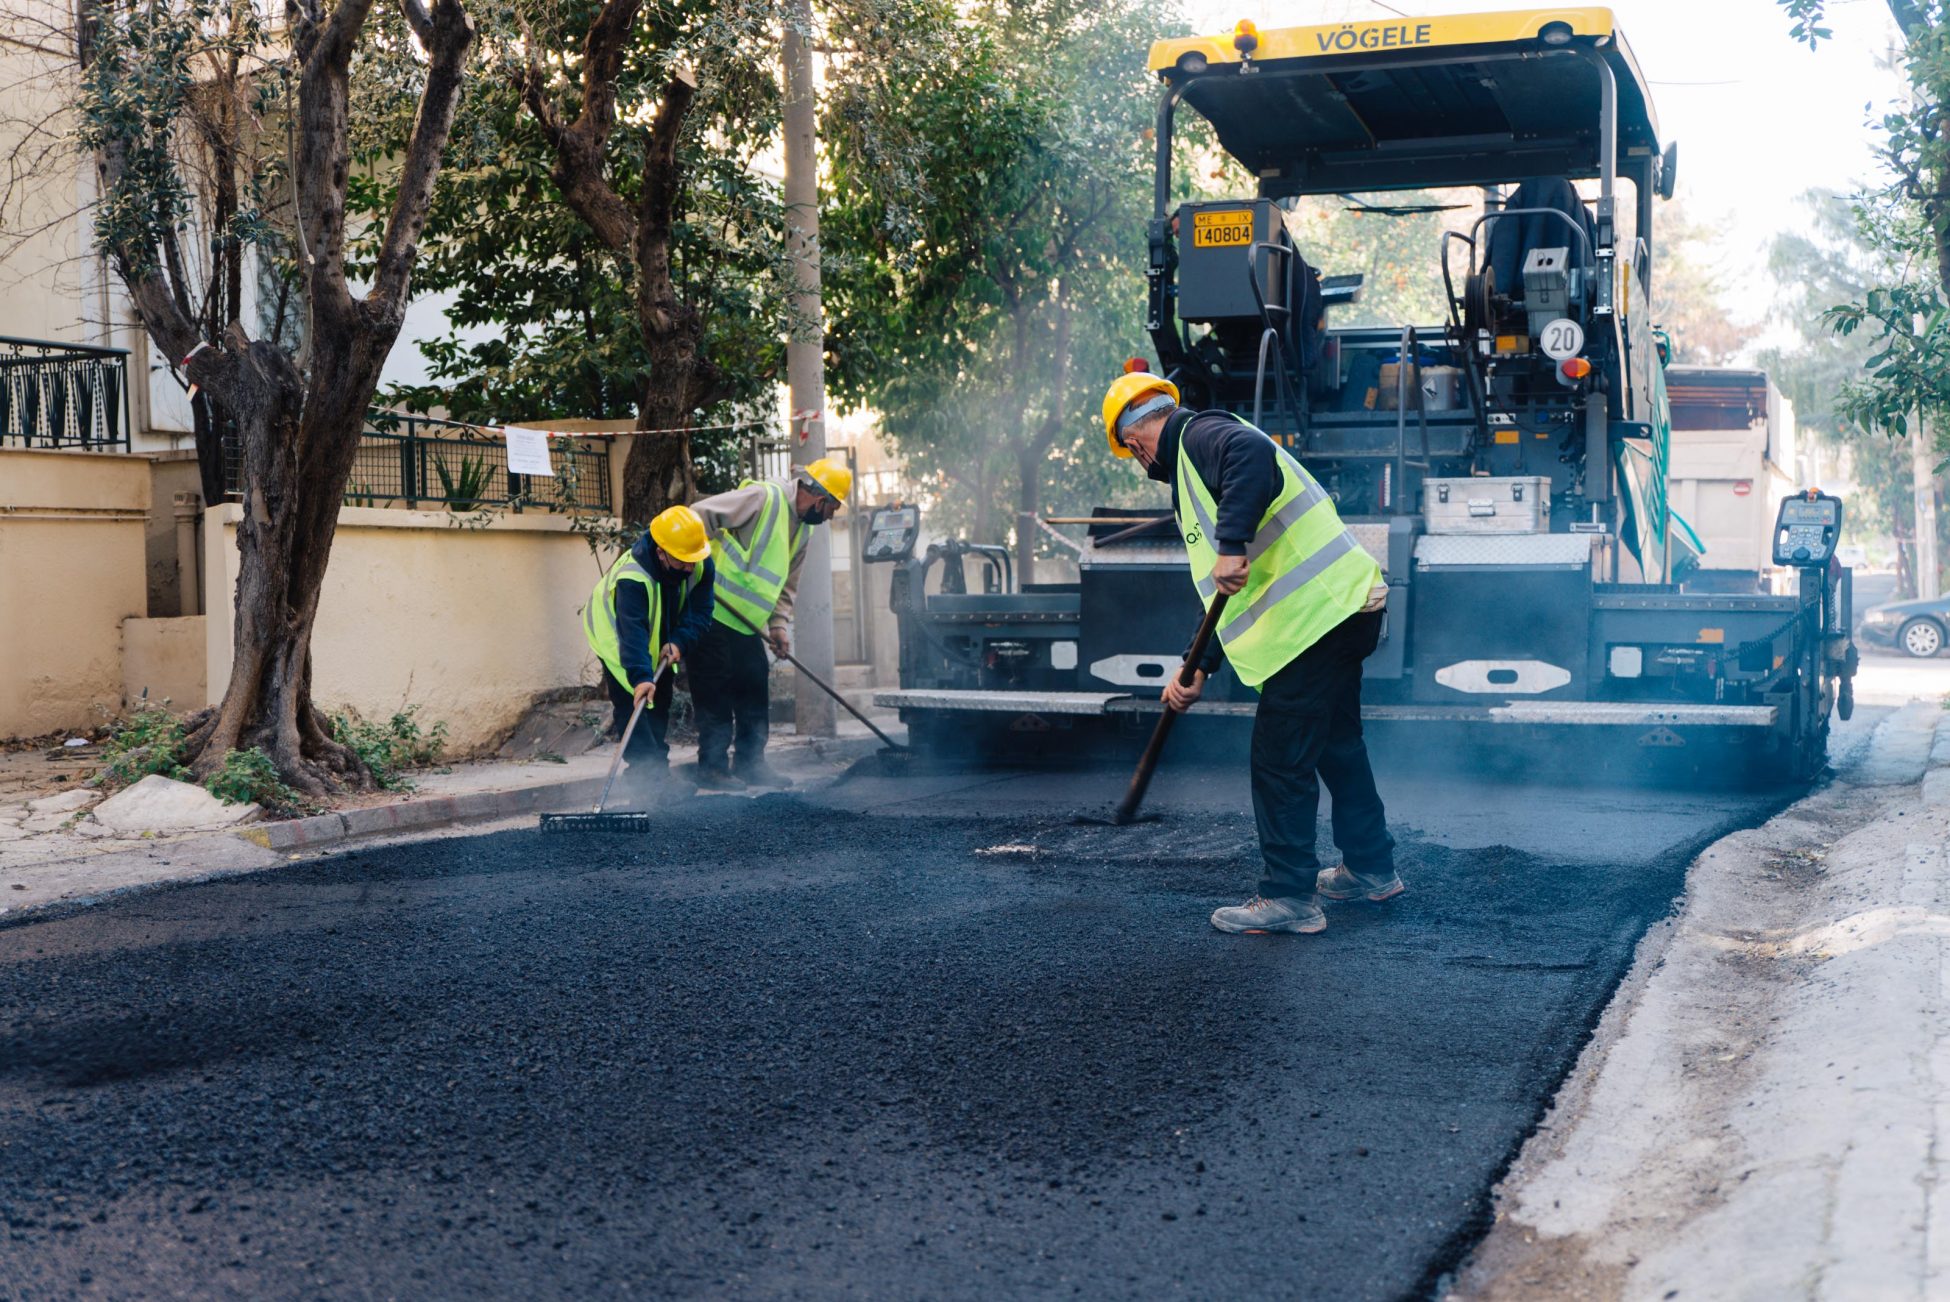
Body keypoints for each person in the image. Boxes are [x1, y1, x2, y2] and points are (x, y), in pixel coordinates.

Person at [1101, 371, 1405, 936]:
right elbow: (1225, 591)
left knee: (1279, 759)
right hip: (1344, 609)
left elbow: (1253, 455)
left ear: (1135, 440)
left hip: (1315, 623)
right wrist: (1197, 667)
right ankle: (1370, 867)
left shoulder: (1201, 436)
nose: (1143, 464)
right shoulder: (1197, 461)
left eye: (1134, 454)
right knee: (1337, 745)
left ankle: (1288, 895)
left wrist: (1232, 544)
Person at [688, 457, 853, 790]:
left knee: (753, 687)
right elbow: (697, 515)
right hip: (711, 613)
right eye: (832, 508)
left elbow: (788, 581)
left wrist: (778, 625)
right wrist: (690, 568)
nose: (831, 516)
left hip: (747, 623)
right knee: (715, 692)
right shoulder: (764, 498)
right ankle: (712, 768)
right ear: (820, 498)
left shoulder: (803, 529)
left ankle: (751, 764)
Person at [583, 504, 716, 785]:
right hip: (617, 639)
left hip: (661, 637)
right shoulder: (633, 578)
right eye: (682, 561)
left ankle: (658, 772)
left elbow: (702, 611)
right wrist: (641, 677)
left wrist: (679, 641)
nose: (689, 567)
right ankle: (645, 779)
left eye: (692, 560)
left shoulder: (698, 560)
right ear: (661, 552)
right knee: (635, 704)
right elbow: (633, 634)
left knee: (662, 698)